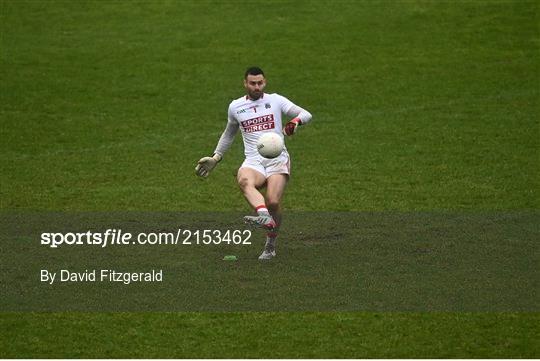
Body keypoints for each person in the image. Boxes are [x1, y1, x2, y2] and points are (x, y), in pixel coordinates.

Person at [195, 67, 312, 260]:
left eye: (260, 83)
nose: (256, 87)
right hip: (253, 160)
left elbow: (306, 113)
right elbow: (229, 133)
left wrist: (295, 122)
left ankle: (270, 244)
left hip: (277, 159)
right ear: (245, 83)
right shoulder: (236, 107)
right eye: (252, 83)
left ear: (264, 82)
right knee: (244, 180)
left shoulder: (275, 100)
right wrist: (216, 157)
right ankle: (264, 217)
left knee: (273, 201)